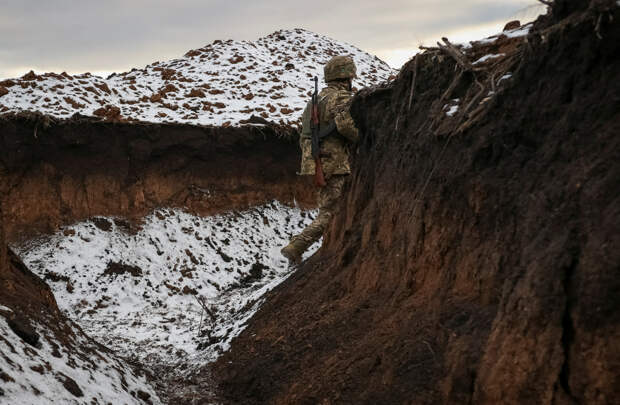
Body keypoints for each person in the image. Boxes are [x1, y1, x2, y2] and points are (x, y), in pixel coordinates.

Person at [280, 55, 359, 264]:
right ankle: (296, 246)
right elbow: (344, 126)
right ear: (346, 76)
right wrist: (360, 138)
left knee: (330, 206)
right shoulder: (340, 97)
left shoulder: (318, 99)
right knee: (331, 211)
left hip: (318, 160)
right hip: (333, 161)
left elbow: (304, 133)